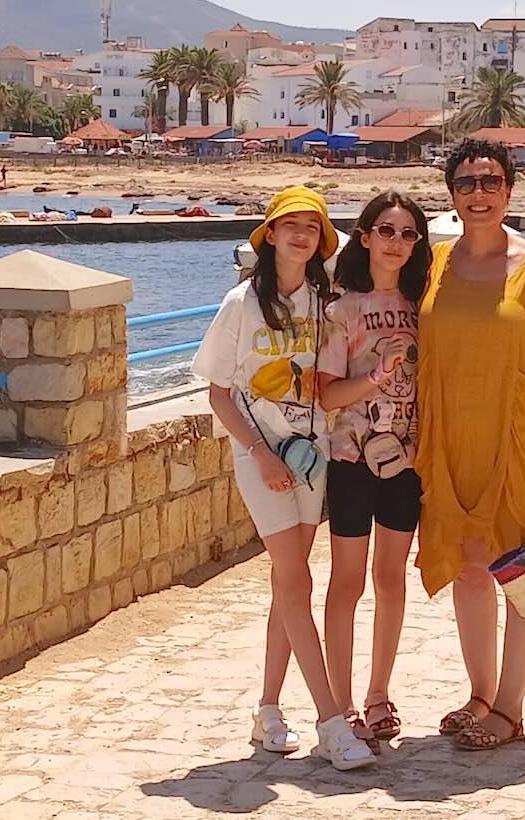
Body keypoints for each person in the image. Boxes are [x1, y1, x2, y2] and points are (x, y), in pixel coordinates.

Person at [192, 185, 376, 771]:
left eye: (312, 227)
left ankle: (268, 708)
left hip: (310, 457)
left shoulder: (324, 303)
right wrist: (260, 453)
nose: (301, 235)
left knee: (288, 585)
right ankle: (331, 721)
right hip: (261, 459)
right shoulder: (241, 303)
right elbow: (219, 393)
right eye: (290, 225)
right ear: (269, 234)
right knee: (296, 581)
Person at [416, 139, 525, 751]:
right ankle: (481, 694)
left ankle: (511, 709)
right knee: (469, 568)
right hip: (451, 438)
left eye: (490, 181)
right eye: (466, 183)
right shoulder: (435, 262)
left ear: (510, 190)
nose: (479, 193)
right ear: (452, 195)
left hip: (521, 437)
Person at [317, 191, 431, 753]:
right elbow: (327, 394)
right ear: (364, 237)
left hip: (407, 464)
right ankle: (339, 705)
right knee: (347, 582)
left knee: (391, 577)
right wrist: (376, 379)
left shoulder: (424, 306)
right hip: (350, 462)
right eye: (386, 231)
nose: (396, 242)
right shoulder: (341, 310)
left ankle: (379, 692)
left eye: (408, 233)